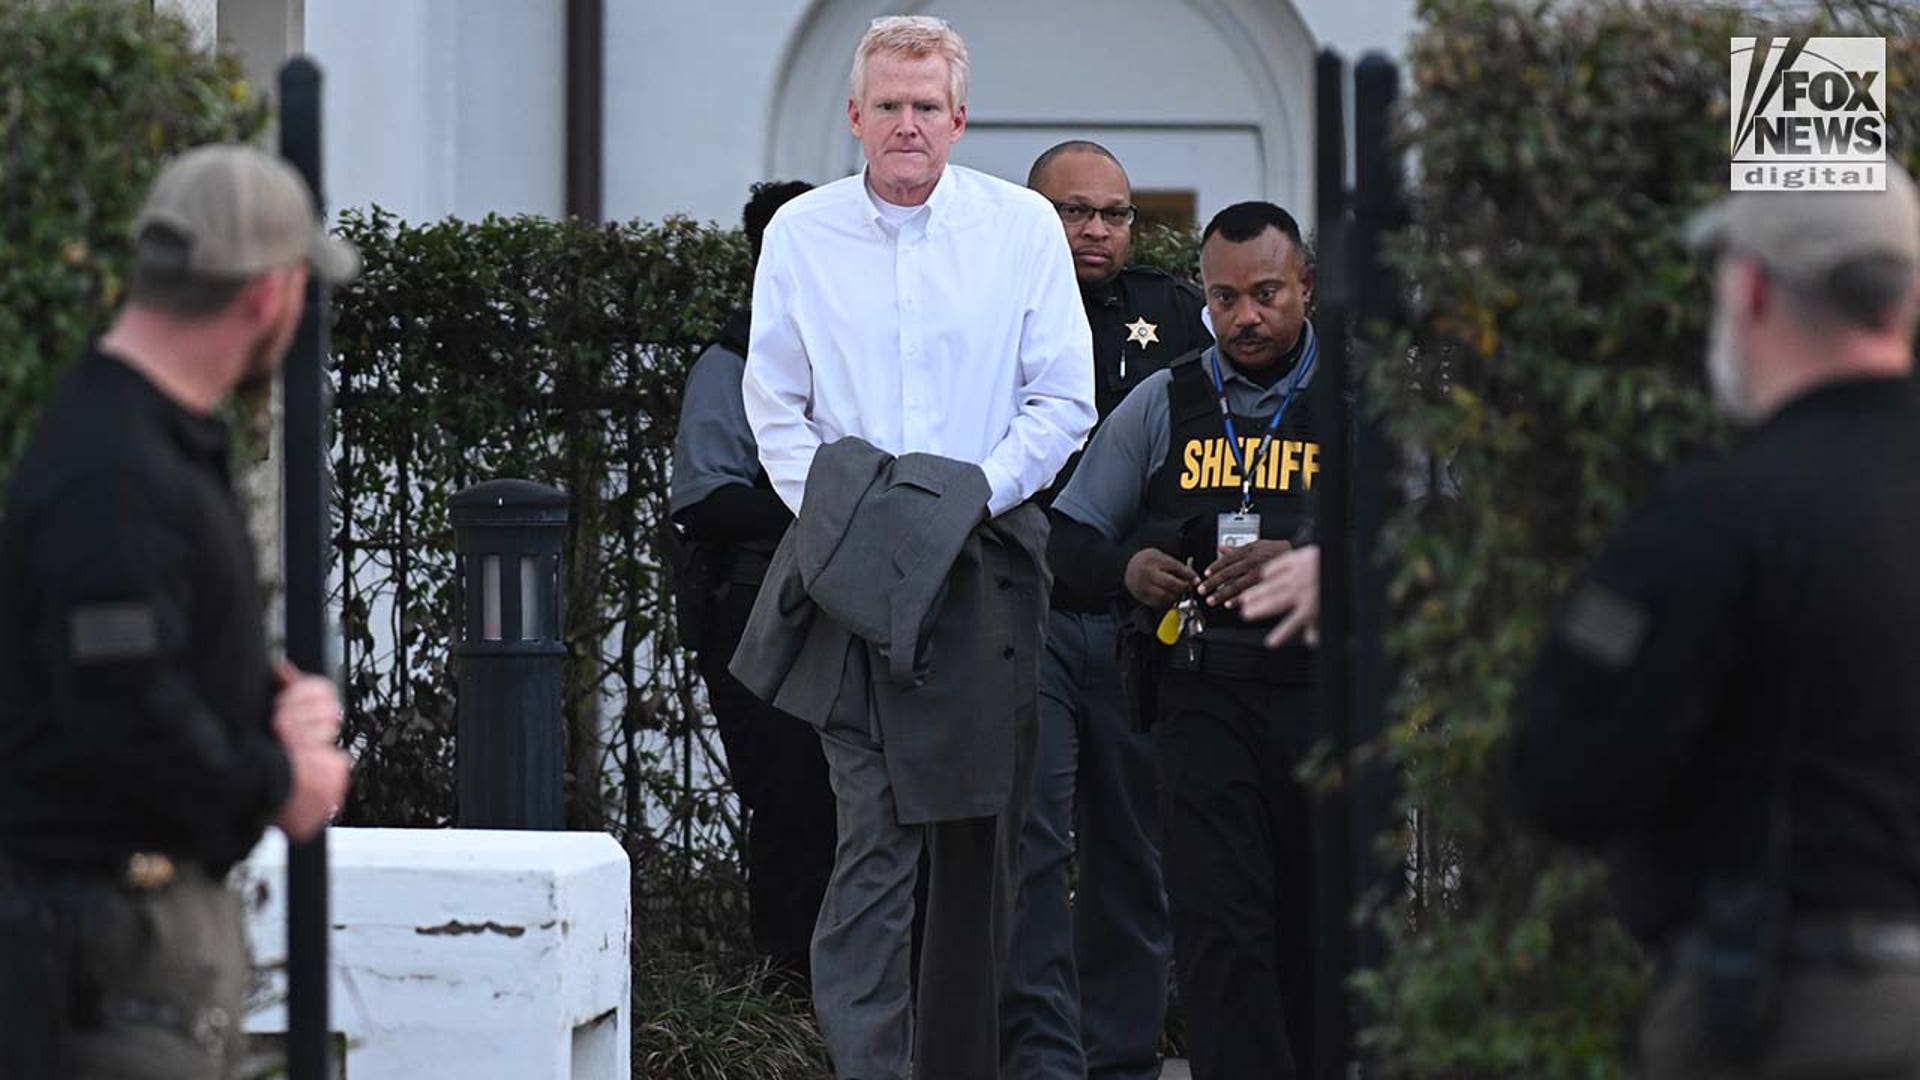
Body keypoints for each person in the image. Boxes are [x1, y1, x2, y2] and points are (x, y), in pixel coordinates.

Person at [733, 16, 1095, 1080]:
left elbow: (1063, 400)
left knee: (985, 844)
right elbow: (776, 410)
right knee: (873, 843)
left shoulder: (1023, 225)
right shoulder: (799, 234)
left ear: (959, 118)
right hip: (847, 575)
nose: (906, 124)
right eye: (886, 105)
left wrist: (968, 498)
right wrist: (864, 529)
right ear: (854, 116)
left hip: (982, 566)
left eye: (925, 106)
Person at [1513, 164, 1920, 1077]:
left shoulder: (1716, 516)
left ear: (1751, 288)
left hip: (1806, 1015)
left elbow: (1564, 778)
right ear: (1907, 295)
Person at [0, 143, 357, 1080]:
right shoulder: (116, 468)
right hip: (112, 956)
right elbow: (123, 712)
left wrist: (256, 714)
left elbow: (131, 673)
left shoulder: (139, 437)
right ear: (269, 295)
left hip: (127, 947)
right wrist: (278, 780)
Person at [1051, 200, 1323, 1078]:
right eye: (1224, 298)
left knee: (1323, 933)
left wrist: (1321, 561)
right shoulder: (1164, 400)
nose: (1246, 316)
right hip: (1202, 697)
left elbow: (1439, 527)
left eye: (1267, 294)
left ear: (1306, 287)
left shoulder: (1359, 398)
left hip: (1331, 703)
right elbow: (1067, 538)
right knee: (1219, 932)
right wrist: (1129, 569)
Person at [1001, 140, 1208, 1080]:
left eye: (1114, 214)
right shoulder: (991, 303)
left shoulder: (1173, 314)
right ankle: (1041, 1059)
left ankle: (1120, 1057)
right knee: (1031, 847)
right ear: (1031, 215)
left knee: (1133, 850)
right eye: (1073, 211)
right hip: (1022, 619)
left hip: (1139, 630)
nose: (1095, 230)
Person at [668, 178, 835, 989]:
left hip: (838, 611)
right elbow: (704, 499)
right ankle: (789, 987)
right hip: (757, 613)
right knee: (790, 802)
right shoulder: (730, 361)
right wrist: (821, 508)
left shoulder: (851, 348)